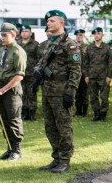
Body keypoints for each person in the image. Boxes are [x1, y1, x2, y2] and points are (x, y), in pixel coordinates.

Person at [38, 10, 81, 173]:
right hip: (48, 91)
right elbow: (43, 64)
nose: (48, 23)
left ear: (61, 22)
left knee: (64, 127)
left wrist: (70, 92)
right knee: (50, 127)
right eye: (48, 21)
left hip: (62, 92)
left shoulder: (70, 44)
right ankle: (56, 157)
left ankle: (64, 159)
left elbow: (75, 70)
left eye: (52, 20)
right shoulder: (49, 43)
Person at [0, 23, 26, 161]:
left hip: (11, 90)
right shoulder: (3, 50)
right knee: (3, 120)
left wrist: (3, 90)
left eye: (5, 35)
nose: (2, 38)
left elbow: (19, 75)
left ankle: (16, 150)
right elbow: (1, 69)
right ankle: (9, 148)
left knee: (13, 119)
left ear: (13, 35)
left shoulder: (17, 51)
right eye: (1, 35)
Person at [83, 27, 112, 122]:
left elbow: (111, 62)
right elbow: (85, 63)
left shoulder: (106, 48)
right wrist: (86, 76)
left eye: (98, 33)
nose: (96, 35)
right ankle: (96, 114)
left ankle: (103, 114)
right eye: (95, 34)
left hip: (103, 76)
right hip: (92, 76)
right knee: (93, 97)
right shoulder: (89, 48)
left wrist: (109, 76)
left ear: (102, 35)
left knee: (104, 97)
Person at [18, 24, 40, 121]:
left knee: (31, 93)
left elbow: (39, 58)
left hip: (31, 72)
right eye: (22, 31)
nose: (24, 33)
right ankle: (24, 112)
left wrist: (37, 69)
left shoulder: (35, 44)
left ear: (30, 33)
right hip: (20, 72)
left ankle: (32, 112)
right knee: (21, 93)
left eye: (26, 31)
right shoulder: (17, 44)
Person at [73, 29, 89, 117]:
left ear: (84, 36)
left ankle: (85, 111)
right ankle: (78, 111)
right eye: (77, 35)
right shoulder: (72, 46)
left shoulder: (87, 47)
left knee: (85, 92)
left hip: (84, 73)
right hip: (75, 73)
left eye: (81, 35)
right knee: (77, 93)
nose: (79, 37)